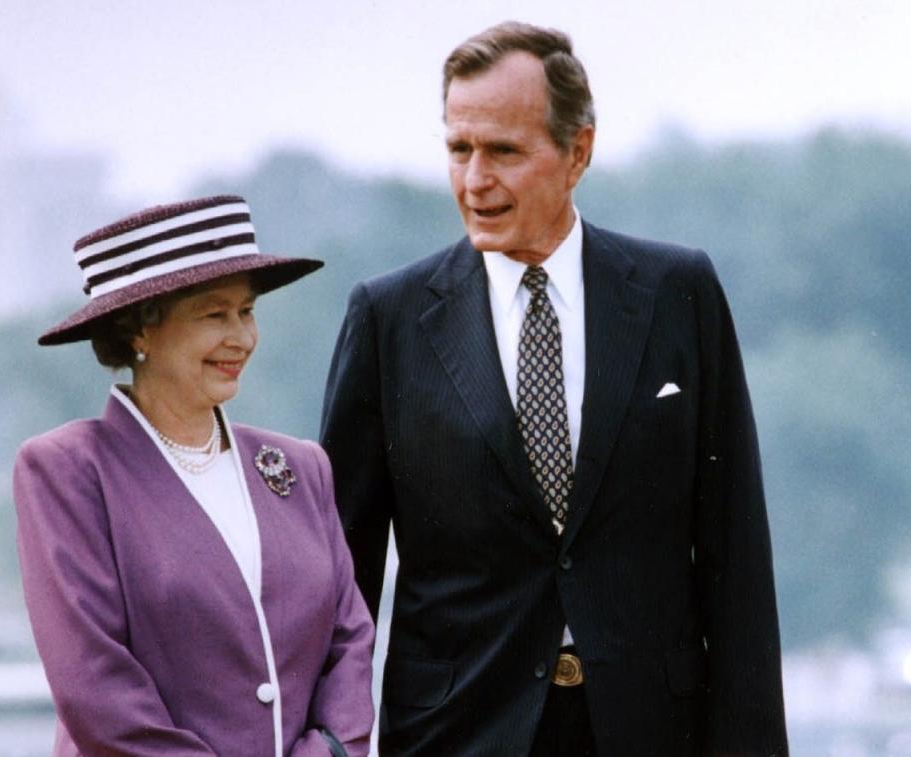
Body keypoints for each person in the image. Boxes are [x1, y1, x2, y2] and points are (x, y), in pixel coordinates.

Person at [321, 21, 787, 756]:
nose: (475, 180)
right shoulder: (389, 318)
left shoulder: (678, 292)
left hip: (655, 732)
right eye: (458, 149)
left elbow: (736, 556)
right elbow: (340, 580)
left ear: (578, 152)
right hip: (456, 734)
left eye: (503, 151)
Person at [14, 195, 374, 756]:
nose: (243, 338)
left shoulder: (300, 467)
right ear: (140, 331)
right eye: (214, 314)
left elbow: (350, 642)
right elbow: (94, 687)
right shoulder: (69, 471)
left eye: (247, 311)